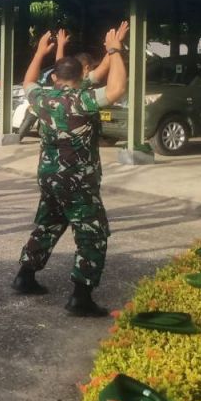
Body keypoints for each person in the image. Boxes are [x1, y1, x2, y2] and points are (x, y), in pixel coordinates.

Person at [12, 25, 128, 316]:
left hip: (49, 177)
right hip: (77, 181)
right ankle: (81, 297)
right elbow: (116, 89)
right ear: (81, 77)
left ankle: (25, 276)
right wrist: (115, 50)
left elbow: (28, 81)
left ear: (55, 77)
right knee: (92, 234)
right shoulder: (82, 100)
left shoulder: (44, 98)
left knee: (49, 224)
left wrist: (40, 52)